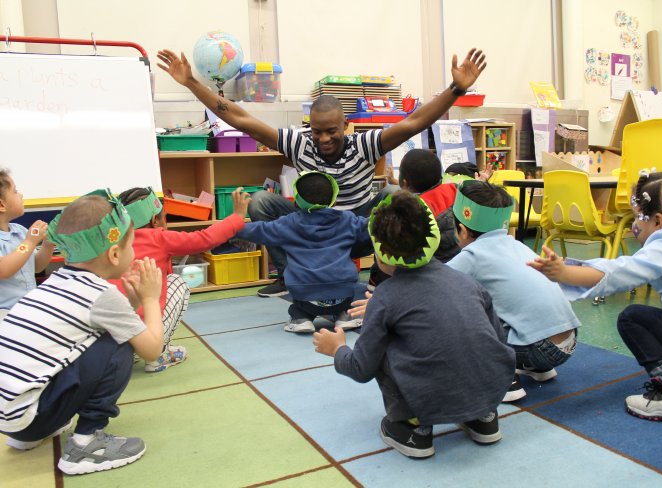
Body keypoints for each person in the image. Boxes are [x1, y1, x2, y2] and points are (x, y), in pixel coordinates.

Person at [157, 47, 487, 297]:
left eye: (331, 131)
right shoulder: (300, 142)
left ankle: (384, 277)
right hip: (309, 227)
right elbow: (241, 119)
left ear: (346, 125)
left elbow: (415, 121)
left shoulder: (365, 144)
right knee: (260, 203)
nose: (324, 138)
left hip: (356, 229)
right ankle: (288, 274)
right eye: (317, 131)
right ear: (309, 128)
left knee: (390, 197)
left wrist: (455, 90)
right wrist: (190, 83)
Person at [312, 191, 514, 459]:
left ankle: (412, 428)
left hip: (429, 396)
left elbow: (361, 368)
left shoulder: (384, 297)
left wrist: (337, 349)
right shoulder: (467, 282)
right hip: (491, 391)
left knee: (384, 348)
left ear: (380, 253)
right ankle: (483, 417)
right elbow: (497, 342)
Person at [0, 189, 164, 475]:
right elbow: (151, 350)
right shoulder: (99, 294)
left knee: (110, 336)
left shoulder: (55, 281)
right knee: (120, 345)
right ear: (114, 254)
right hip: (31, 416)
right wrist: (150, 299)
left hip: (11, 419)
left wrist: (133, 302)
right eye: (131, 244)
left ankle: (35, 430)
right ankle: (87, 443)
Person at [528, 169, 662, 424]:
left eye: (638, 219)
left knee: (633, 318)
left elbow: (619, 272)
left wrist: (564, 273)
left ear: (659, 222)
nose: (634, 226)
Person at [447, 180, 581, 402]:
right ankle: (537, 369)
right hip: (568, 343)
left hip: (536, 348)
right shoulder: (518, 245)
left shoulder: (471, 256)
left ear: (461, 229)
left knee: (464, 314)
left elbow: (432, 287)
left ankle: (503, 379)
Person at [116, 187, 245, 371]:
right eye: (164, 218)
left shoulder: (114, 243)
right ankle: (158, 355)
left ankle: (129, 353)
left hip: (114, 335)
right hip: (144, 331)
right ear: (155, 221)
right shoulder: (158, 237)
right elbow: (205, 238)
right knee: (178, 283)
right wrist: (237, 217)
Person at [233, 171, 367, 333]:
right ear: (334, 199)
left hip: (306, 298)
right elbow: (373, 226)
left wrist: (237, 217)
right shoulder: (348, 219)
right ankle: (343, 316)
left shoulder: (289, 223)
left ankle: (301, 318)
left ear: (296, 200)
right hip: (343, 296)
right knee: (341, 293)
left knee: (300, 305)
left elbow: (254, 230)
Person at [0, 169, 55, 319]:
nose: (21, 195)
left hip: (28, 305)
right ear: (1, 205)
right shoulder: (27, 238)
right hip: (4, 310)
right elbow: (4, 270)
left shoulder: (20, 231)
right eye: (15, 192)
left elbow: (36, 266)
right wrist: (30, 242)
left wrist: (47, 245)